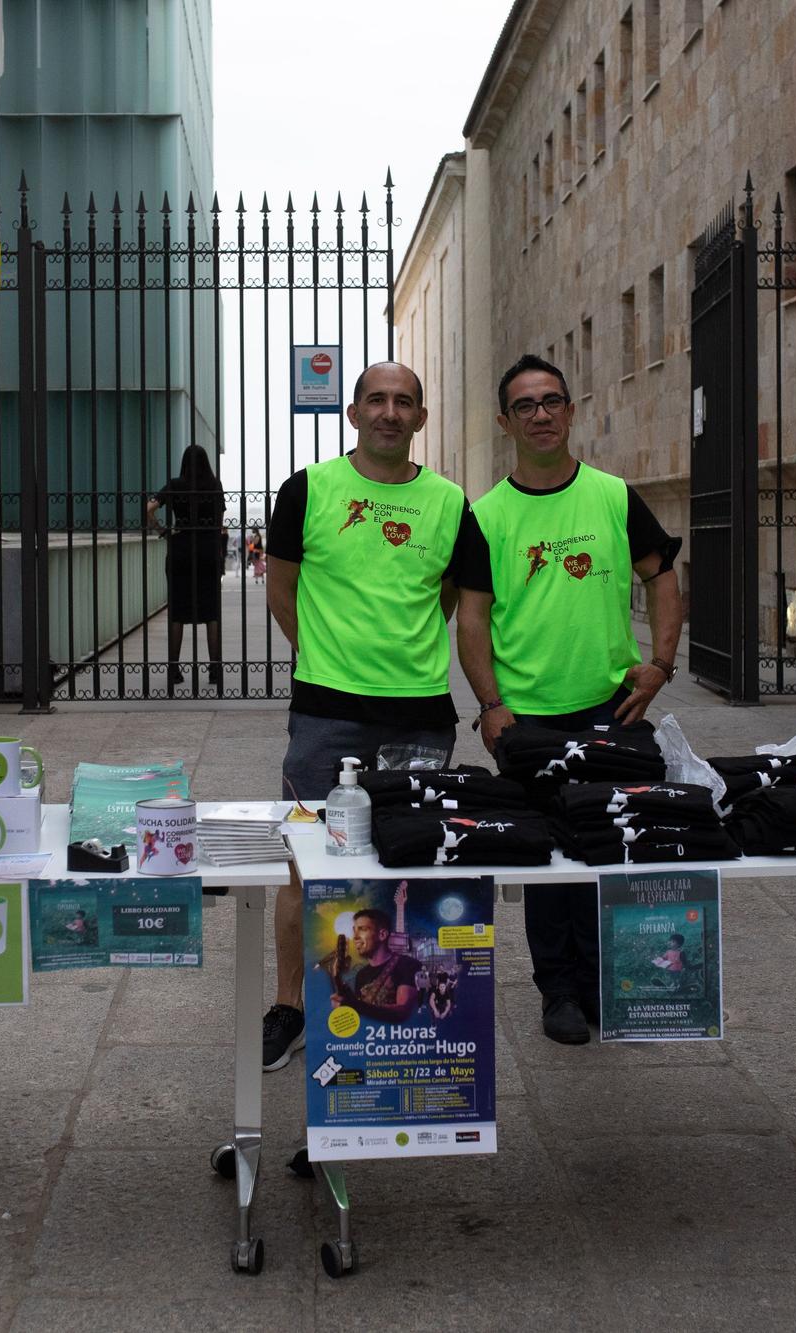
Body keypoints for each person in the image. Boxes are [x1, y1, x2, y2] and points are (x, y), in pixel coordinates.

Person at [454, 352, 686, 1045]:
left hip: (609, 708)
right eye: (525, 405)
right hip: (529, 720)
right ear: (506, 421)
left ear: (572, 409)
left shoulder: (613, 496)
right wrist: (491, 704)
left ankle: (603, 984)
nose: (541, 414)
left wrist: (661, 665)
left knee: (611, 847)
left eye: (551, 400)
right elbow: (472, 618)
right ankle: (558, 990)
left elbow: (662, 575)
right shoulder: (487, 515)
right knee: (549, 858)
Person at [259, 361, 484, 1070]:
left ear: (421, 418)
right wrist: (329, 659)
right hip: (326, 714)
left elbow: (449, 600)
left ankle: (383, 997)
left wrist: (399, 660)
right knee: (305, 866)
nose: (390, 412)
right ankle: (291, 1006)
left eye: (405, 402)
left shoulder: (450, 503)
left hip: (419, 718)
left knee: (402, 863)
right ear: (353, 413)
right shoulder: (309, 490)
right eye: (377, 400)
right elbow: (282, 588)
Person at [146, 443, 228, 693]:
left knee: (178, 611)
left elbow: (149, 508)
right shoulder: (214, 485)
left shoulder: (174, 484)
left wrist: (163, 531)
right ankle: (215, 669)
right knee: (211, 611)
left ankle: (173, 669)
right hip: (207, 552)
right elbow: (219, 523)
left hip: (181, 550)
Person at [325, 908, 422, 1023]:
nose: (355, 937)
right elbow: (362, 1017)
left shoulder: (408, 964)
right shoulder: (361, 975)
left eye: (362, 929)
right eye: (354, 930)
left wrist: (356, 1005)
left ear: (382, 935)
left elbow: (402, 1012)